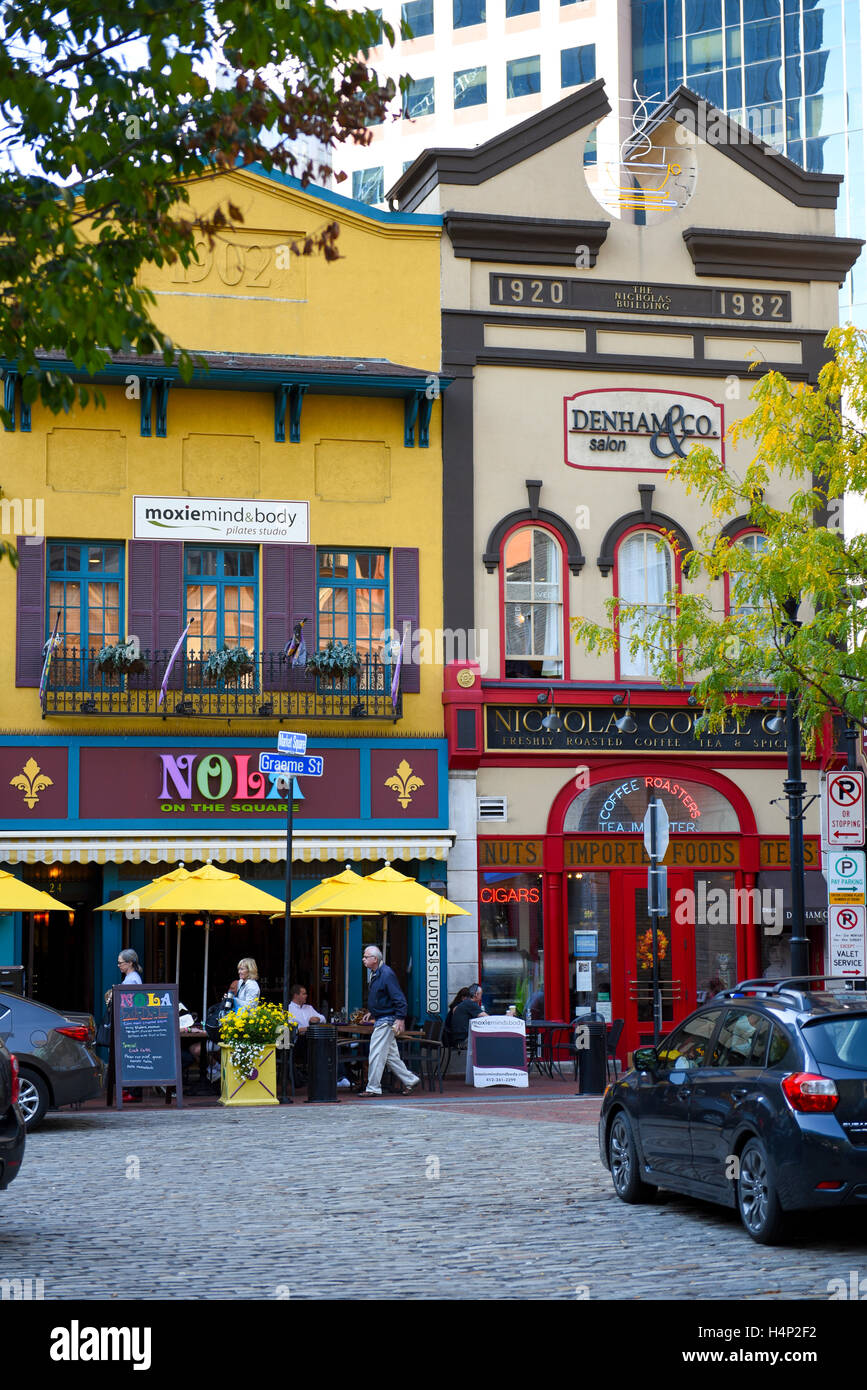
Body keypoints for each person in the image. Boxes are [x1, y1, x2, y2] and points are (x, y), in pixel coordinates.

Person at [357, 946, 419, 1097]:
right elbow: (383, 996)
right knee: (390, 1056)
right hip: (383, 1017)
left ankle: (373, 1088)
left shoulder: (386, 974)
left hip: (386, 1020)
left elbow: (399, 998)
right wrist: (372, 1011)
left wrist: (400, 1018)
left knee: (376, 1053)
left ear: (375, 959)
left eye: (366, 957)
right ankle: (410, 1080)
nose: (363, 959)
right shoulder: (378, 973)